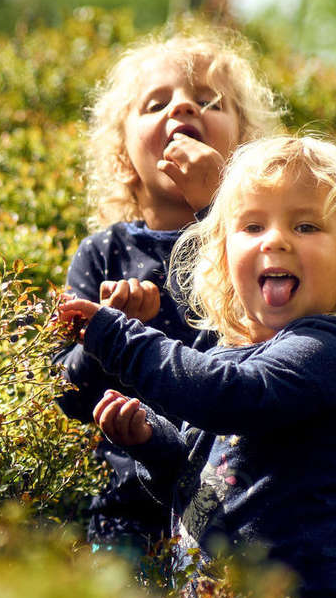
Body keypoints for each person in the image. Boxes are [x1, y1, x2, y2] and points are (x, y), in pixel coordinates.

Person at [56, 135, 336, 598]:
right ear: (223, 256)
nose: (276, 240)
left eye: (306, 225)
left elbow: (233, 397)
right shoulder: (233, 355)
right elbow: (200, 490)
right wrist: (152, 442)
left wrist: (116, 337)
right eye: (252, 225)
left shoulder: (331, 347)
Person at [53, 30, 280, 564]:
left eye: (207, 102)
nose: (182, 106)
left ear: (243, 146)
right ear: (124, 153)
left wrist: (219, 205)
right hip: (124, 504)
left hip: (227, 499)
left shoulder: (249, 248)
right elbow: (64, 393)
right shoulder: (103, 253)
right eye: (157, 104)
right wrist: (106, 332)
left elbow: (263, 338)